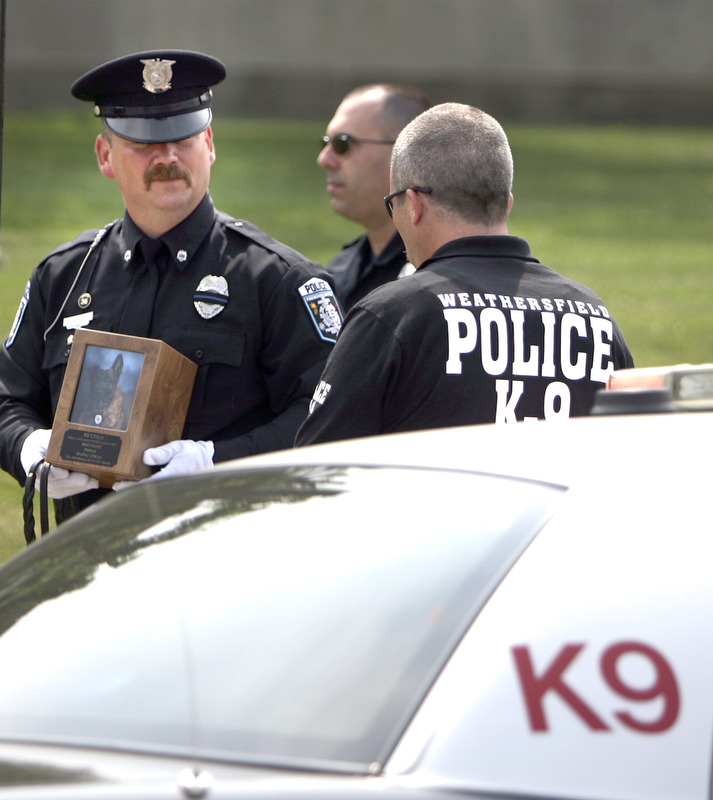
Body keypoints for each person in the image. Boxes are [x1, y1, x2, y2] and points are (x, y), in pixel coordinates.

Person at [0, 49, 343, 523]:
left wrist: (218, 462)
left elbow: (332, 414)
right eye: (143, 143)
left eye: (183, 138)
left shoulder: (275, 280)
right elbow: (8, 397)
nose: (167, 157)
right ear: (105, 156)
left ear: (210, 145)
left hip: (227, 559)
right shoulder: (63, 277)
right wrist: (28, 447)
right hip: (88, 560)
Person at [296, 103, 634, 446]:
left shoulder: (394, 314)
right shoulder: (595, 317)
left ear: (413, 205)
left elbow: (317, 466)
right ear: (507, 203)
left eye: (392, 203)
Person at [318, 83, 432, 312]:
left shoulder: (440, 277)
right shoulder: (341, 270)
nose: (324, 160)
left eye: (342, 144)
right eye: (325, 143)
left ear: (404, 153)